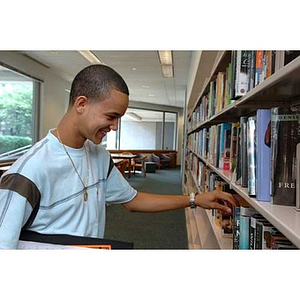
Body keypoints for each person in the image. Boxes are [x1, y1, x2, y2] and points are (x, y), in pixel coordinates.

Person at [0, 64, 238, 249]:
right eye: (111, 116)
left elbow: (133, 200)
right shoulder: (28, 172)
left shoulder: (98, 156)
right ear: (81, 103)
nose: (115, 127)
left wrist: (195, 199)